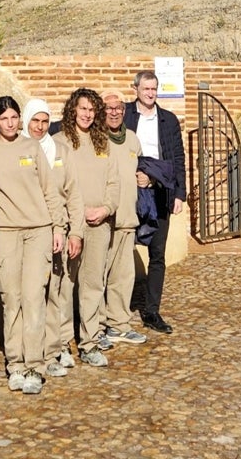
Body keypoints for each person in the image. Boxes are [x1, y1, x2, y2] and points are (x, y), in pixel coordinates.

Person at [0, 96, 65, 394]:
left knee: (34, 298)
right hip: (5, 232)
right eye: (4, 119)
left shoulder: (31, 147)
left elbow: (50, 190)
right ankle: (15, 364)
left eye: (14, 118)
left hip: (38, 231)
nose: (10, 123)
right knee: (11, 299)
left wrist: (58, 226)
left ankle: (35, 365)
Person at [20, 98, 84, 376]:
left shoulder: (60, 150)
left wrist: (76, 231)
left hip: (60, 227)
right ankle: (34, 353)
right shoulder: (18, 150)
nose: (39, 126)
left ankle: (56, 346)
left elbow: (73, 193)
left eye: (45, 121)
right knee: (34, 295)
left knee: (58, 291)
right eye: (35, 120)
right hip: (31, 229)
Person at [57, 88, 119, 368]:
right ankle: (62, 343)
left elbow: (114, 183)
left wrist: (105, 209)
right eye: (82, 108)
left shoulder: (103, 143)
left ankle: (90, 342)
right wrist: (73, 217)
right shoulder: (60, 142)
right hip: (71, 224)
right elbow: (56, 186)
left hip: (99, 223)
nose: (86, 114)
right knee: (65, 286)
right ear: (73, 110)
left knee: (93, 285)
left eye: (92, 110)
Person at [123, 70, 186, 334]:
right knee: (122, 250)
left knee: (157, 253)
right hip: (130, 190)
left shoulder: (168, 120)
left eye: (154, 89)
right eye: (146, 89)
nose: (150, 93)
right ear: (136, 89)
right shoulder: (125, 114)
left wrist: (180, 194)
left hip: (160, 191)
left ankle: (152, 311)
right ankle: (116, 310)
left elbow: (177, 157)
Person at [101, 90, 148, 345]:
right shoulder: (95, 138)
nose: (115, 112)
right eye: (109, 108)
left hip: (127, 218)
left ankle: (119, 324)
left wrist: (146, 178)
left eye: (118, 107)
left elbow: (140, 169)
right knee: (97, 276)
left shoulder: (132, 139)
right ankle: (96, 327)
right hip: (102, 220)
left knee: (123, 276)